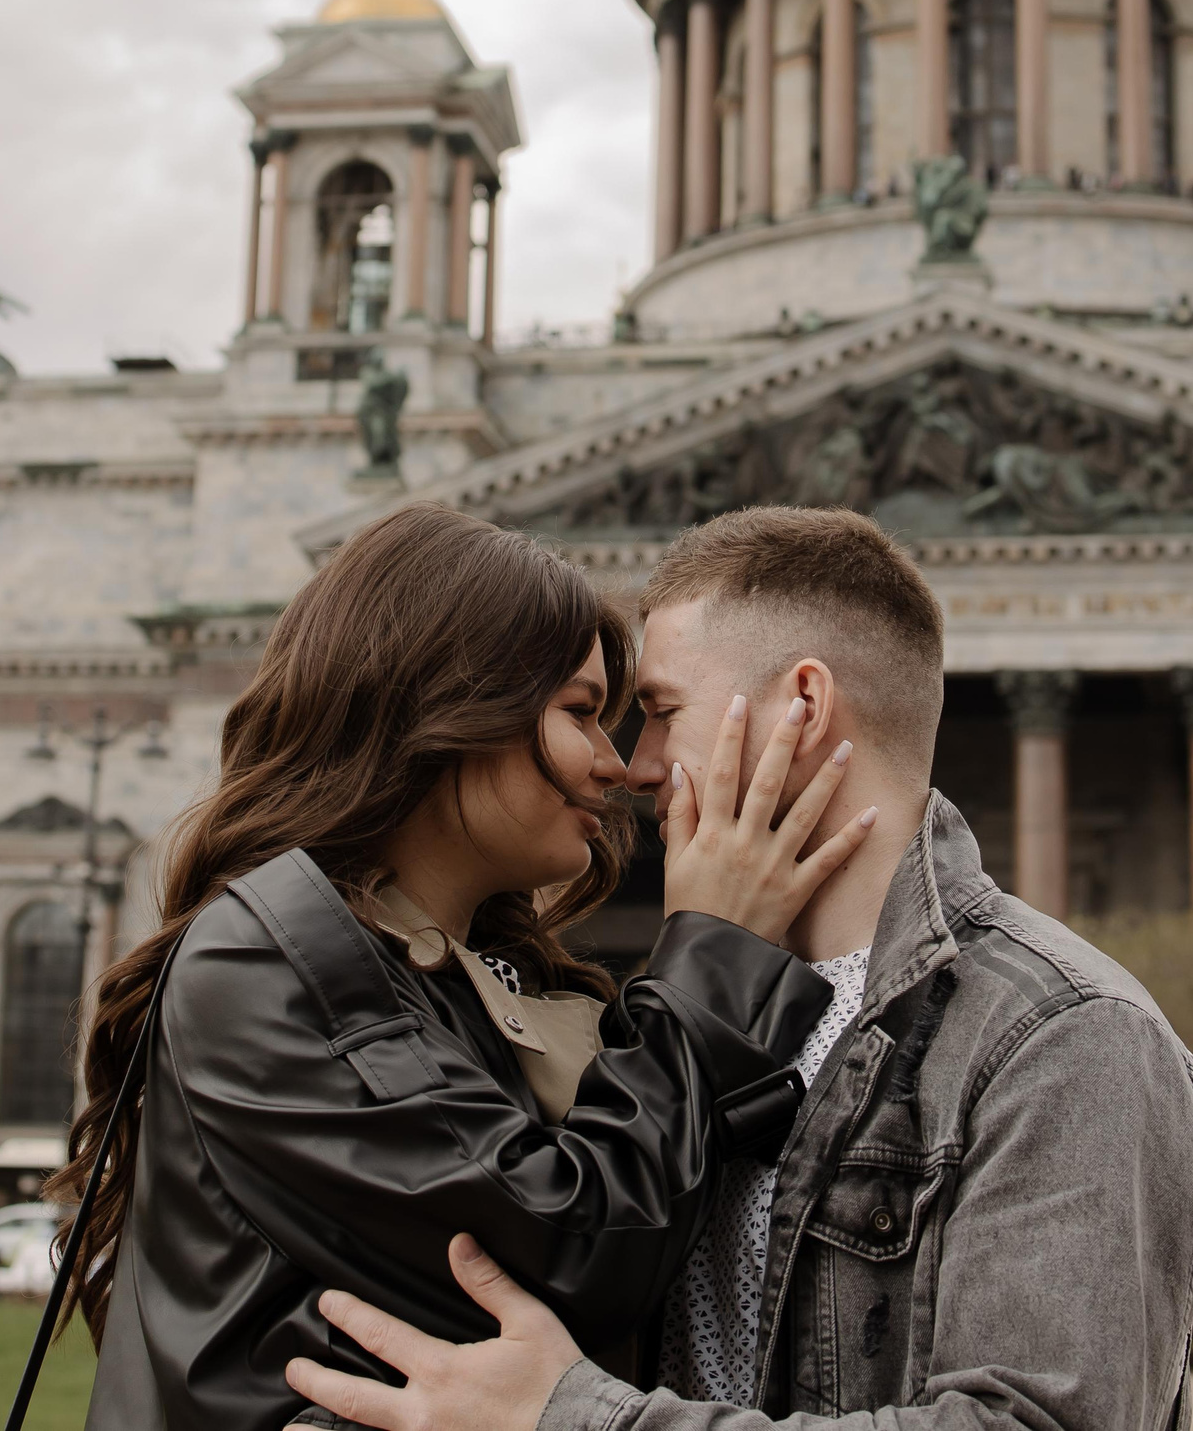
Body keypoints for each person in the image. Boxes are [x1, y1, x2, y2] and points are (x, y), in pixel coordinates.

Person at [287, 506, 1193, 1431]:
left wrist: (577, 1420)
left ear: (804, 704)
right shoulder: (693, 1024)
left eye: (660, 712)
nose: (634, 764)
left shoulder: (1069, 1037)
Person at [64, 503, 880, 1431]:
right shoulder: (269, 960)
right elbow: (568, 1248)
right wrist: (717, 949)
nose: (617, 765)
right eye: (580, 712)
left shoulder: (466, 975)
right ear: (449, 705)